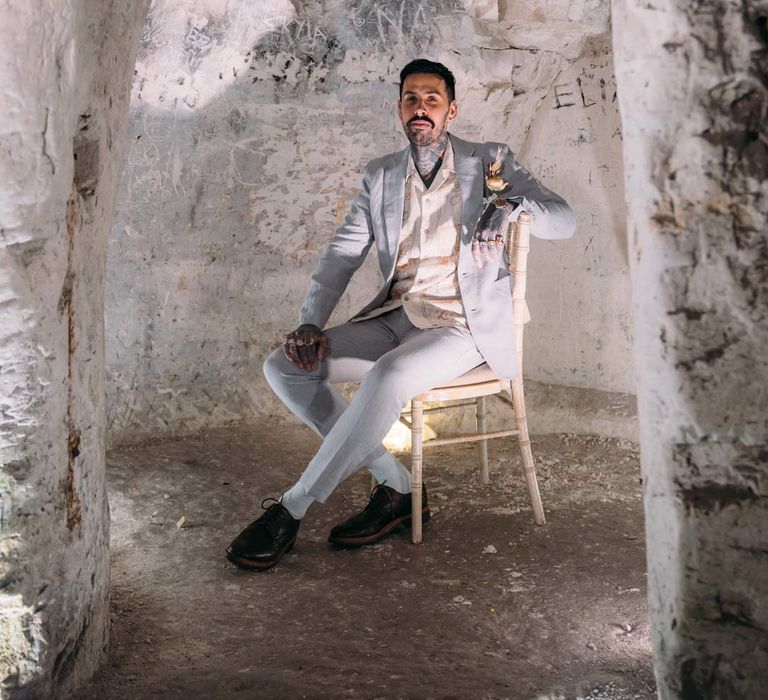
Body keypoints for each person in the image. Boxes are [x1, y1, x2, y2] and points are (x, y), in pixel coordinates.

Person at [226, 58, 575, 570]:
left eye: (432, 99)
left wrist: (508, 207)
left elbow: (563, 221)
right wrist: (310, 322)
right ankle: (397, 487)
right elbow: (342, 254)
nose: (421, 108)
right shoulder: (382, 175)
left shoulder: (490, 162)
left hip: (463, 325)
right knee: (283, 365)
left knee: (388, 377)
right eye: (411, 99)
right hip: (396, 316)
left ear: (451, 110)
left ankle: (292, 507)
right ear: (399, 109)